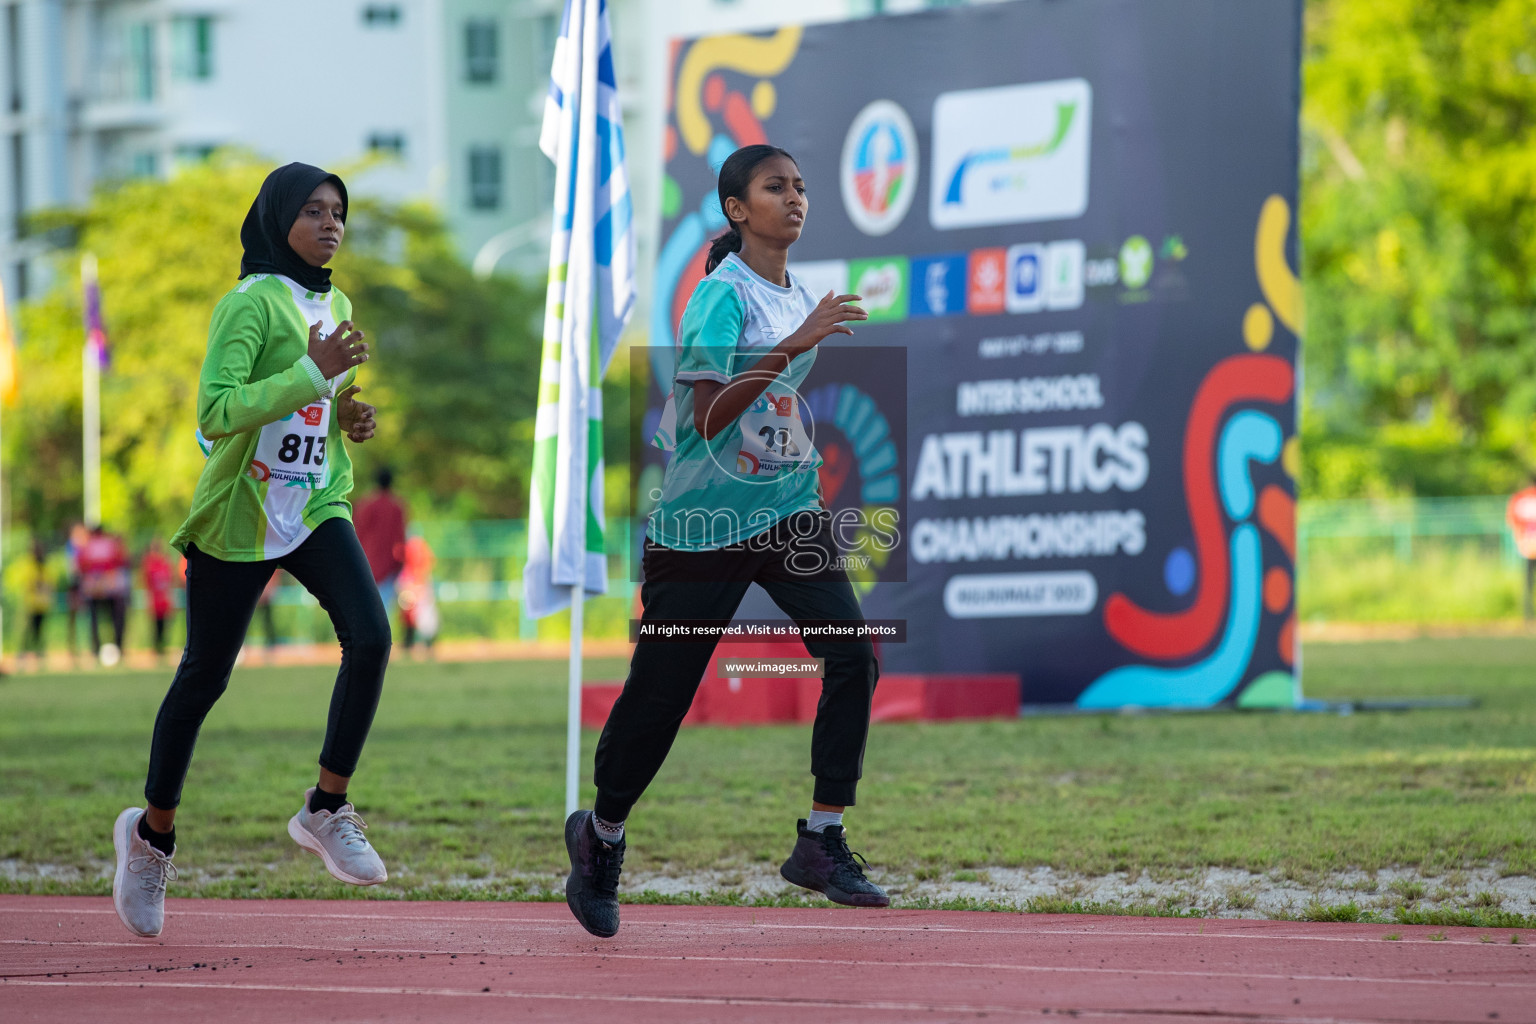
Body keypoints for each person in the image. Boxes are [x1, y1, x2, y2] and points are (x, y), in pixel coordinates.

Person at [562, 145, 886, 939]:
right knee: (661, 701)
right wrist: (794, 342)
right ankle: (600, 837)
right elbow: (708, 418)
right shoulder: (719, 297)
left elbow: (770, 406)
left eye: (802, 187)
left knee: (852, 655)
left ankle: (822, 838)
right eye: (777, 186)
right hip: (701, 529)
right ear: (738, 209)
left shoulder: (796, 292)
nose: (797, 197)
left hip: (787, 511)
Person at [112, 163, 390, 939]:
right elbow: (217, 409)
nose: (331, 223)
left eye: (339, 211)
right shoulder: (248, 303)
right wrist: (312, 371)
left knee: (370, 638)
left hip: (316, 503)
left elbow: (325, 401)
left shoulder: (333, 301)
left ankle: (326, 807)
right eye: (313, 210)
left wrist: (349, 416)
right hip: (241, 511)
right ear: (275, 220)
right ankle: (151, 836)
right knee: (205, 676)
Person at [354, 466, 407, 610]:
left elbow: (357, 533)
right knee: (382, 613)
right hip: (387, 568)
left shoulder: (366, 504)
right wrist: (400, 564)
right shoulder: (396, 506)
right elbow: (400, 539)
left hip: (365, 564)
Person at [78, 523, 130, 666]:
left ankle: (96, 649)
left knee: (94, 619)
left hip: (95, 586)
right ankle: (118, 646)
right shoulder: (110, 544)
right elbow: (121, 561)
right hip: (110, 585)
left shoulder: (87, 545)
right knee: (116, 618)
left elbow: (81, 566)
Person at [396, 531, 438, 656]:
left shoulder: (421, 554)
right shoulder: (408, 560)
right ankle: (409, 641)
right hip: (411, 587)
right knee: (408, 616)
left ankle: (428, 643)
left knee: (426, 616)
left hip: (420, 587)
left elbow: (425, 572)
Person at [140, 539, 179, 664]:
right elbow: (146, 585)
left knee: (164, 626)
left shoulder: (165, 564)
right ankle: (156, 648)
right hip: (155, 601)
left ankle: (162, 647)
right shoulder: (149, 565)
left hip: (164, 601)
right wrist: (148, 602)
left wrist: (172, 599)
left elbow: (170, 583)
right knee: (155, 627)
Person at [1507, 478, 1536, 621]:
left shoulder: (1520, 500)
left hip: (1528, 546)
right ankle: (1528, 614)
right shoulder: (1521, 500)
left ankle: (1528, 614)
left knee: (1528, 581)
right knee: (1528, 581)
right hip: (1529, 547)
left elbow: (1514, 522)